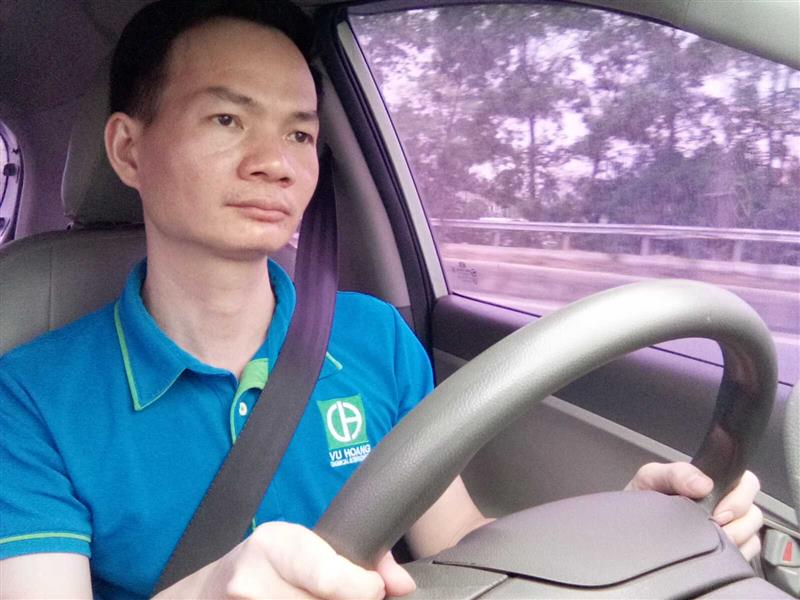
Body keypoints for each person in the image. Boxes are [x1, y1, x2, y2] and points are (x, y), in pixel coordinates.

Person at [0, 1, 763, 598]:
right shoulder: (28, 399)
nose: (275, 163)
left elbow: (457, 542)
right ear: (128, 149)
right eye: (227, 119)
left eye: (300, 135)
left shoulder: (373, 338)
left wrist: (626, 524)